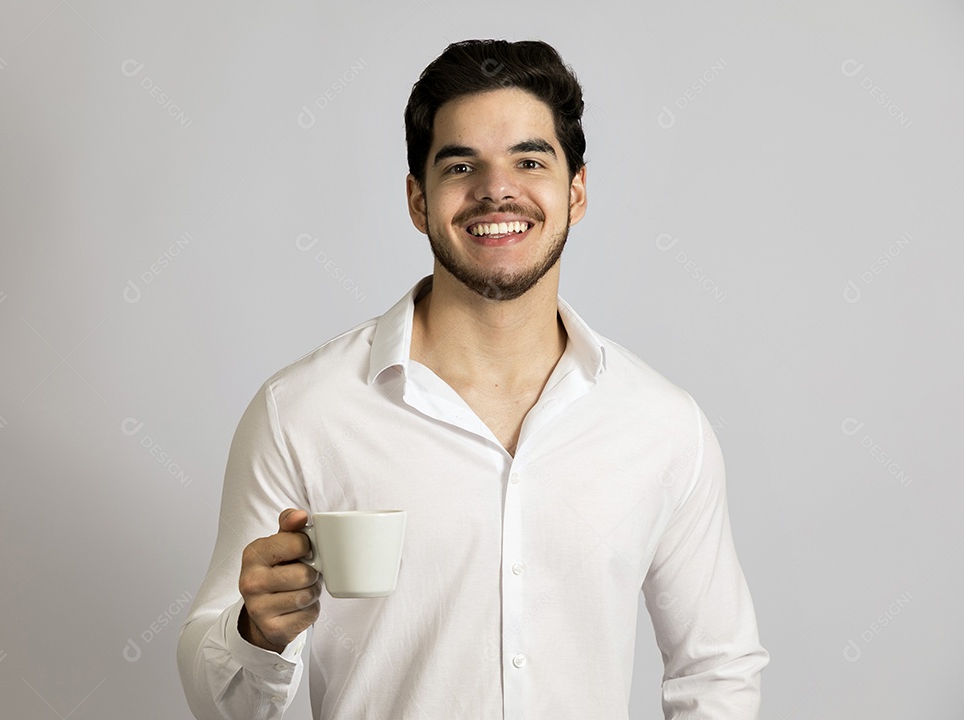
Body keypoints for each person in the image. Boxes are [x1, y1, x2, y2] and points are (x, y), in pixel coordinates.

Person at [177, 38, 769, 720]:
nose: (497, 189)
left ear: (575, 192)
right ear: (418, 200)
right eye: (462, 165)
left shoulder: (662, 426)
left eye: (529, 160)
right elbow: (217, 701)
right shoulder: (302, 413)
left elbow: (717, 668)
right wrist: (258, 634)